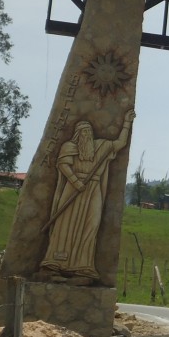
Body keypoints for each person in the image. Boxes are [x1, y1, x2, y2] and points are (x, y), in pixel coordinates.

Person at [41, 110, 135, 280]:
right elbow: (63, 165)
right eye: (83, 132)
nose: (87, 135)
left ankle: (82, 265)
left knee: (91, 224)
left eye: (89, 132)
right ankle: (55, 263)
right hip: (73, 189)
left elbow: (120, 143)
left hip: (93, 190)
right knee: (65, 224)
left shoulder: (101, 146)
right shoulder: (70, 147)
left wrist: (127, 123)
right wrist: (76, 182)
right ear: (77, 134)